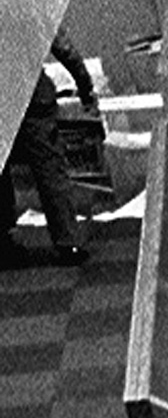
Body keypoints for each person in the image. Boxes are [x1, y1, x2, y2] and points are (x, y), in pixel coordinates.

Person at [3, 35, 93, 267]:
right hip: (31, 91)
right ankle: (68, 241)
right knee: (50, 168)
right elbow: (62, 45)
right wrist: (84, 85)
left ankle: (3, 240)